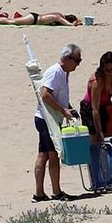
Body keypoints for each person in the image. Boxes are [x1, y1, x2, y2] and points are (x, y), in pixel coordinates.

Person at [33, 44, 84, 203]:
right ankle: (56, 192)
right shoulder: (55, 72)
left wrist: (69, 108)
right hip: (46, 119)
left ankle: (39, 194)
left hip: (49, 119)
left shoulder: (64, 73)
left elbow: (58, 95)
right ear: (67, 58)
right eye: (77, 60)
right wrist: (63, 110)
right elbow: (45, 95)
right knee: (53, 154)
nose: (78, 64)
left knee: (43, 155)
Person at [0, 12, 83, 26]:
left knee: (11, 20)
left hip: (34, 16)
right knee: (11, 22)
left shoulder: (58, 14)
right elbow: (70, 25)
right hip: (33, 19)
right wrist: (76, 23)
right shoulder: (59, 17)